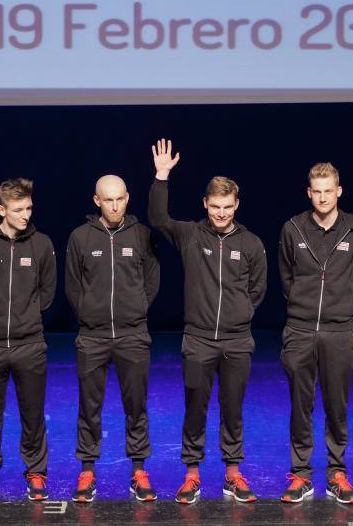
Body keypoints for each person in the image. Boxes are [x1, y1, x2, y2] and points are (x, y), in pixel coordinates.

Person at [148, 139, 267, 504]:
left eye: (227, 207)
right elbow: (157, 219)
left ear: (237, 205)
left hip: (236, 342)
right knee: (195, 409)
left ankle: (232, 474)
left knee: (233, 410)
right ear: (205, 204)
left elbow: (258, 290)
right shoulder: (190, 235)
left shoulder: (250, 243)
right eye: (215, 206)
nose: (220, 213)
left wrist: (239, 316)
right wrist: (161, 177)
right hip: (198, 340)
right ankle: (192, 474)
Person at [278, 162, 353, 505]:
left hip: (338, 332)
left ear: (339, 191)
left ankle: (337, 473)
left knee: (337, 405)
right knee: (300, 406)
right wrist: (304, 310)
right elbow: (287, 278)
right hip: (300, 330)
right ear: (309, 193)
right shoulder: (292, 229)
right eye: (316, 191)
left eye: (328, 190)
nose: (322, 197)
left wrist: (340, 310)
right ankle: (301, 475)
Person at [65, 175, 160, 503]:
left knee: (136, 406)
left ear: (128, 197)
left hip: (133, 336)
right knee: (89, 408)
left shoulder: (142, 235)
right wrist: (89, 314)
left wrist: (137, 309)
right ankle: (87, 470)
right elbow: (73, 286)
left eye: (120, 199)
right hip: (93, 338)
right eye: (109, 200)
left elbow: (151, 280)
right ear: (97, 201)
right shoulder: (80, 237)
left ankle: (138, 470)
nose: (116, 206)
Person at [0, 178, 56, 502]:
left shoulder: (42, 244)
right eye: (18, 209)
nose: (25, 214)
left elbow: (46, 294)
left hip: (30, 345)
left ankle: (36, 472)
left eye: (29, 208)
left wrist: (24, 319)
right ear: (1, 209)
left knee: (33, 415)